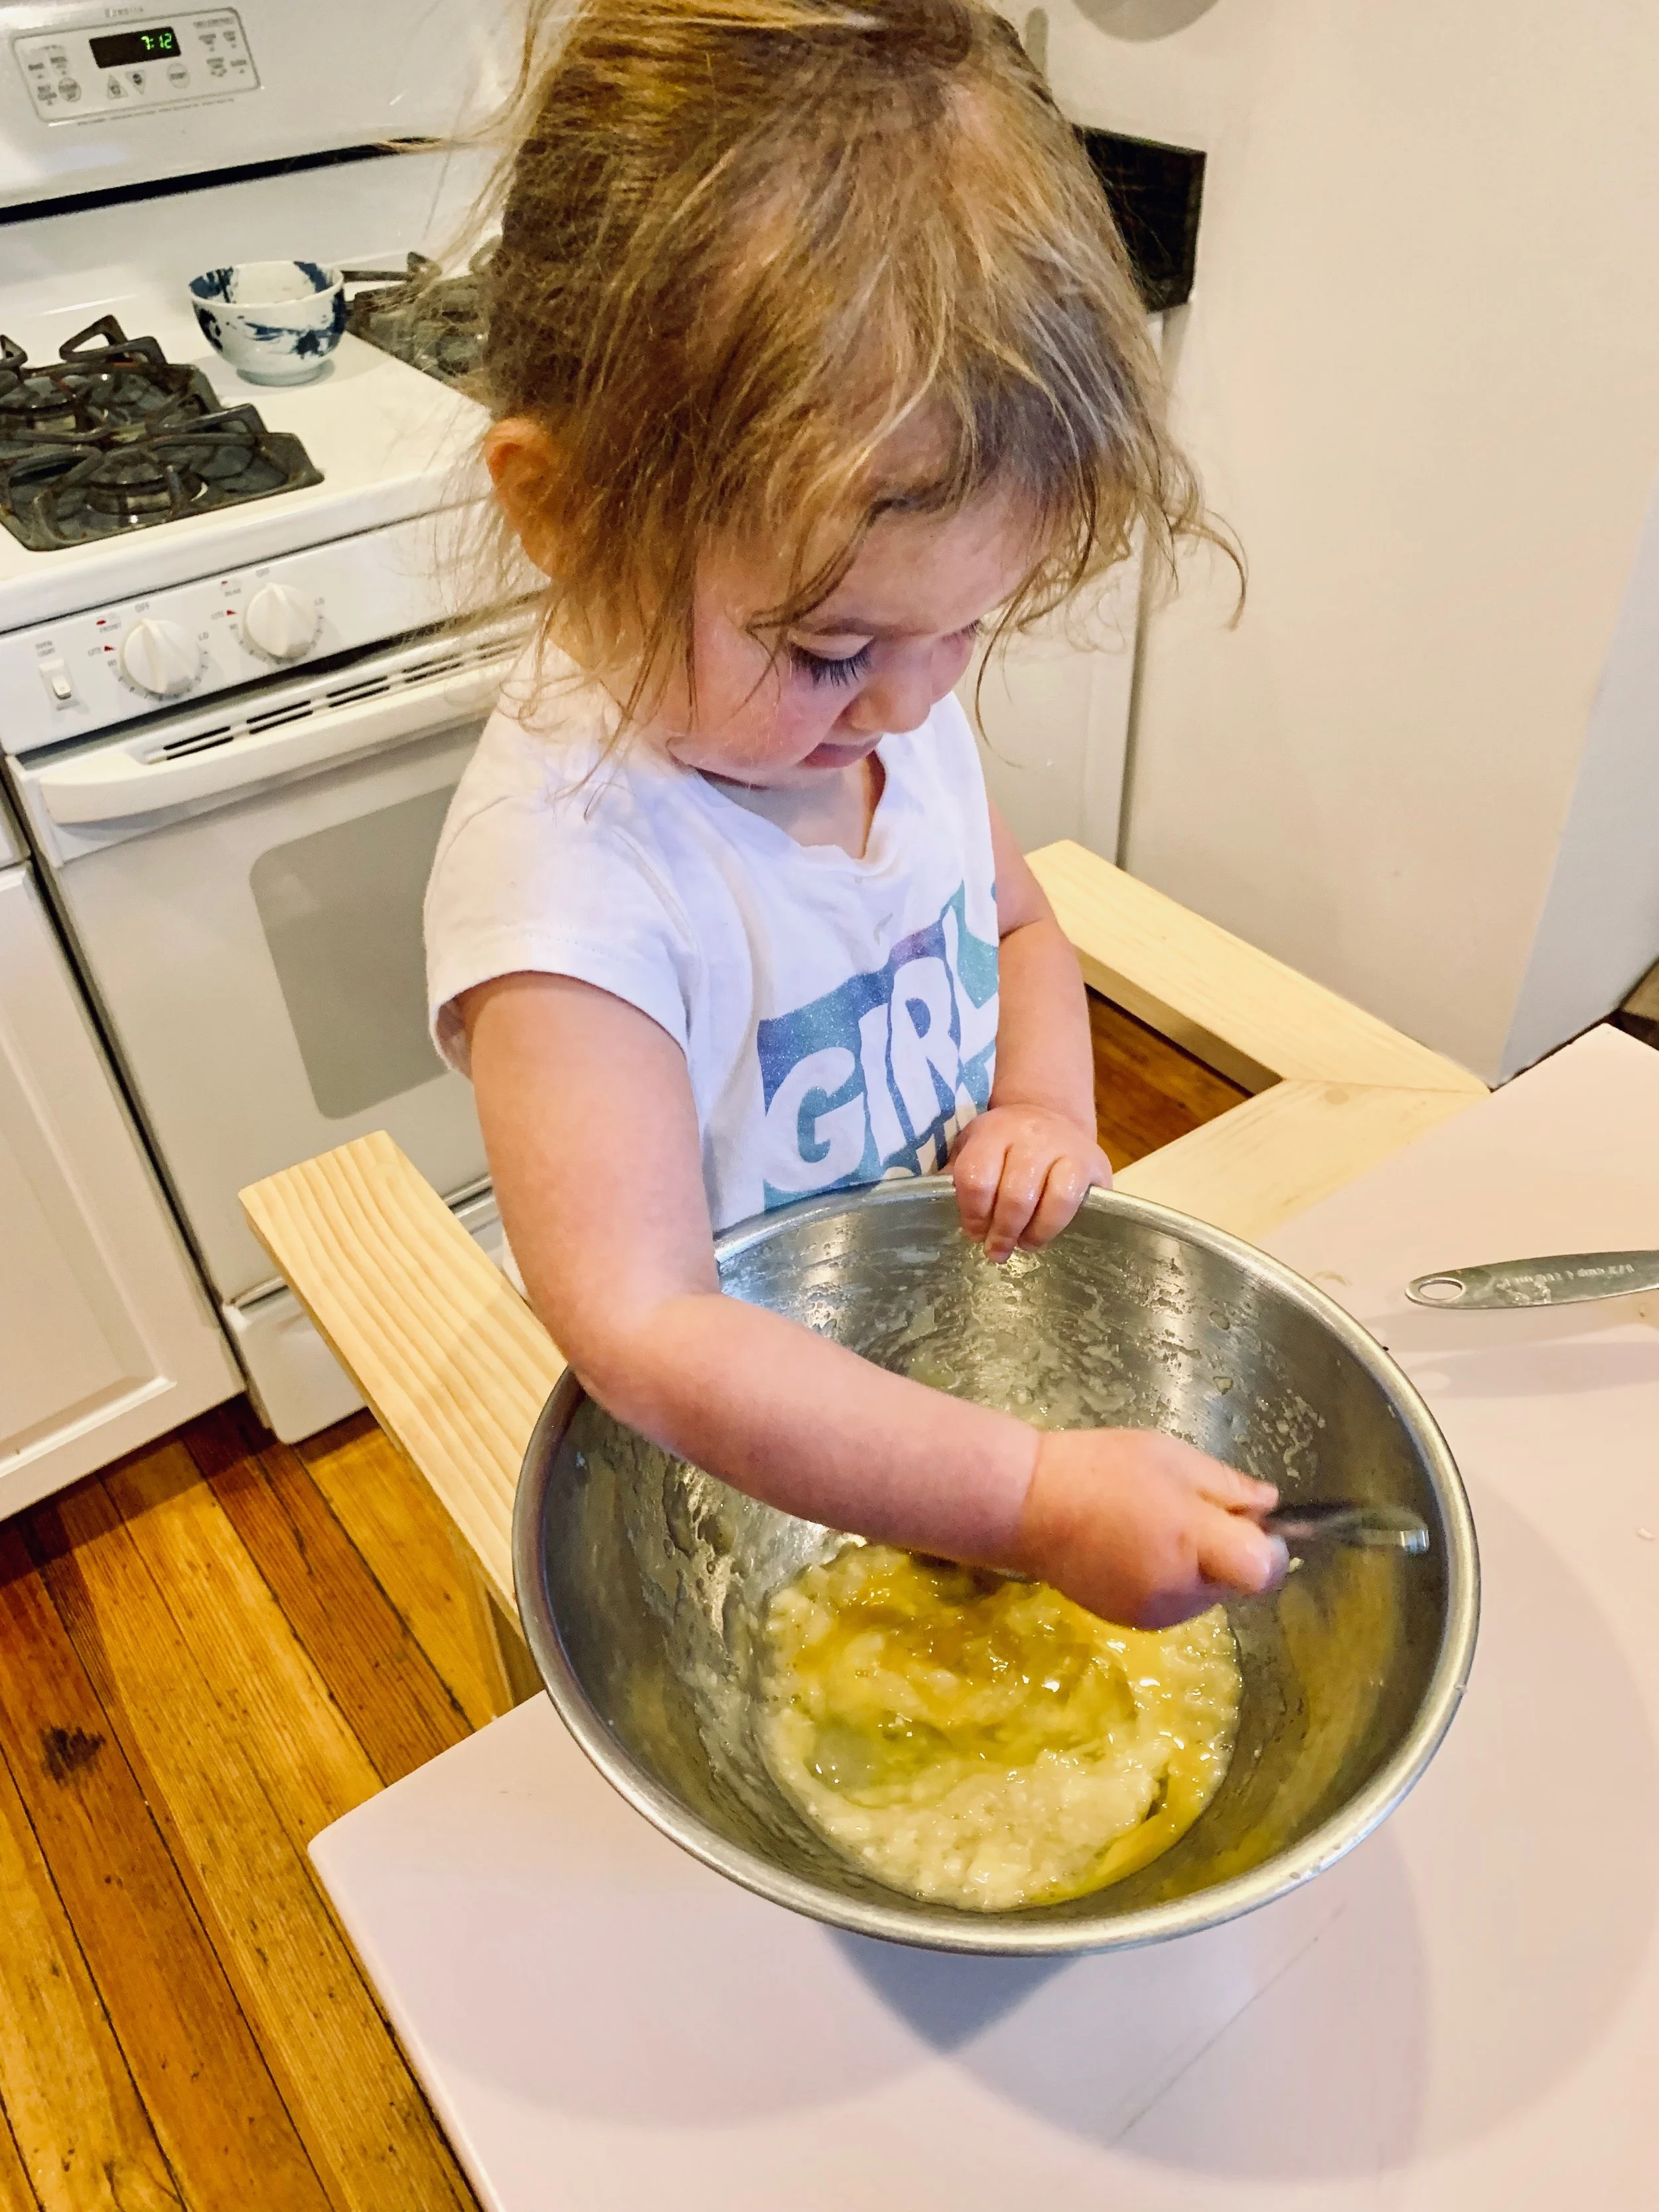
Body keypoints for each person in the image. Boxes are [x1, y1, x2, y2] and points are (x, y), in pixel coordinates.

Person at [425, 0, 1287, 1627]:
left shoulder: (883, 704)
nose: (910, 700)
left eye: (965, 625)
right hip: (727, 1446)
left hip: (918, 1367)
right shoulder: (571, 892)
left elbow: (1015, 921)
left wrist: (1040, 1101)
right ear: (559, 510)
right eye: (829, 647)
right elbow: (648, 1327)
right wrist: (1026, 1496)